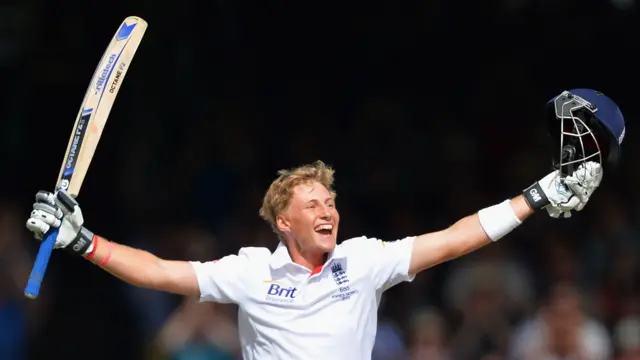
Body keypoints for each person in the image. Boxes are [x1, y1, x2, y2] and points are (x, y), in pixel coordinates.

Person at [25, 89, 623, 360]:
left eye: (329, 201)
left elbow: (452, 239)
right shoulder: (251, 271)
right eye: (311, 203)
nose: (326, 210)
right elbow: (158, 273)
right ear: (283, 221)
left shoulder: (361, 261)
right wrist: (83, 241)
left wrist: (534, 198)